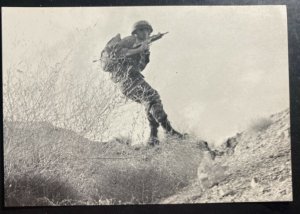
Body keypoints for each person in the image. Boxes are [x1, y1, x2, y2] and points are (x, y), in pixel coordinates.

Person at [109, 20, 184, 146]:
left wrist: (145, 52)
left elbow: (140, 67)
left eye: (148, 31)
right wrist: (139, 50)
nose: (146, 33)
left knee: (149, 101)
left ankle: (153, 137)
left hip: (131, 80)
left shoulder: (142, 45)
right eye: (143, 30)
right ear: (136, 32)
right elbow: (118, 53)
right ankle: (169, 131)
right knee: (152, 97)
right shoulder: (130, 40)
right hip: (128, 80)